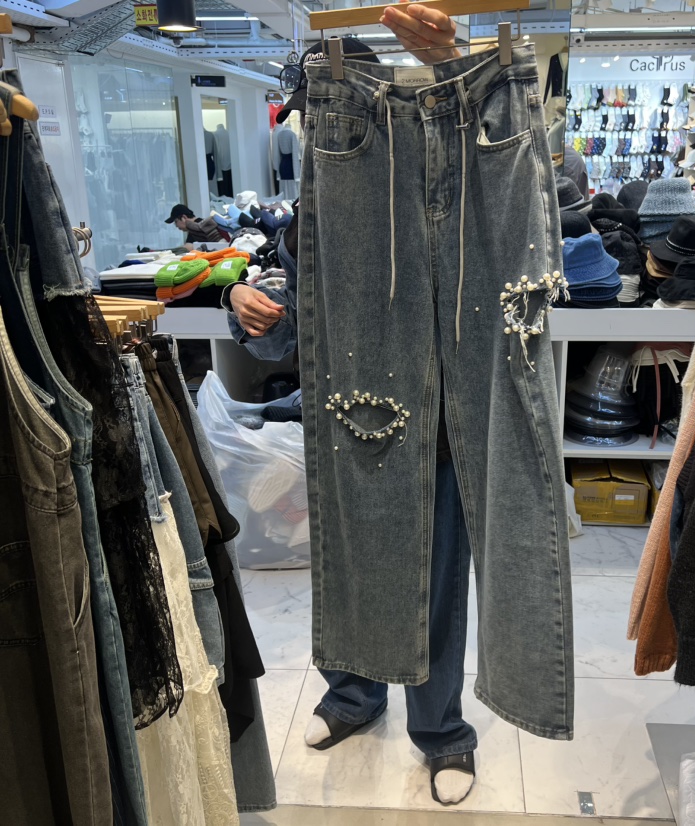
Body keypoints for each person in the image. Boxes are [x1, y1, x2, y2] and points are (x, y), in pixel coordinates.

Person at [225, 3, 482, 807]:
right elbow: (287, 327)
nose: (321, 139)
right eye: (316, 124)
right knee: (347, 562)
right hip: (349, 416)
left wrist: (450, 65)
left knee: (434, 579)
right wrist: (246, 304)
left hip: (434, 420)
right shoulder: (315, 213)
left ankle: (441, 730)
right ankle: (353, 695)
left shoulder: (449, 183)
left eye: (333, 120)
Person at [163, 203, 228, 249]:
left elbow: (188, 247)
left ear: (184, 217)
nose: (176, 226)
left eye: (176, 222)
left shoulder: (196, 227)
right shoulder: (202, 223)